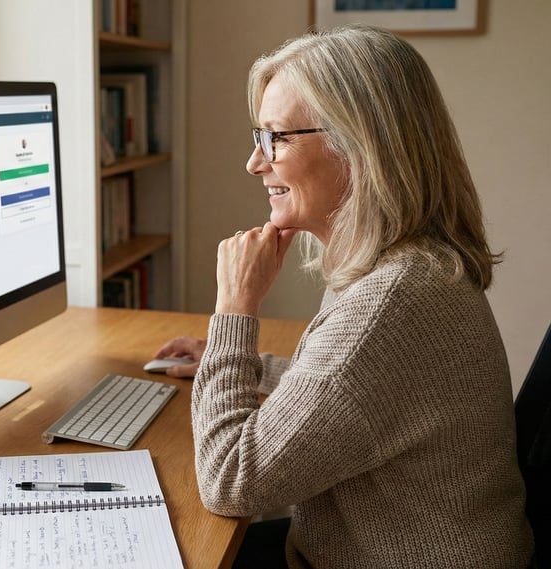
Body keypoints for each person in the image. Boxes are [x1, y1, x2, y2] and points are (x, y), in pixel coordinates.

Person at [154, 24, 535, 568]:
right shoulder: (407, 266)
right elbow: (361, 394)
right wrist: (251, 368)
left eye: (277, 137)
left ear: (360, 145)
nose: (255, 163)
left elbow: (230, 481)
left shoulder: (390, 304)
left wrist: (234, 311)